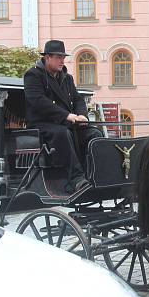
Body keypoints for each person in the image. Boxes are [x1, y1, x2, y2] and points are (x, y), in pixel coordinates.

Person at [24, 40, 100, 194]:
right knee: (63, 134)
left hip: (67, 122)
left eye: (63, 57)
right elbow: (39, 102)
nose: (62, 61)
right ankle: (76, 179)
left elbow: (78, 99)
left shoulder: (67, 78)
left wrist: (82, 116)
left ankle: (94, 174)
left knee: (94, 133)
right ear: (47, 57)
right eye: (58, 57)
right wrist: (67, 116)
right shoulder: (33, 75)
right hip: (42, 124)